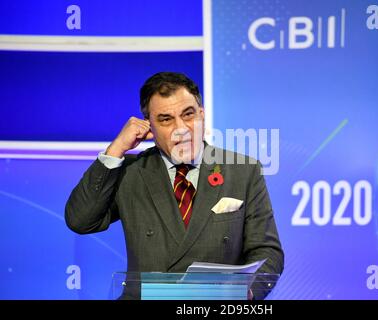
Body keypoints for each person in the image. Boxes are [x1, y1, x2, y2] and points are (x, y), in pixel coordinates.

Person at [65, 72, 284, 299]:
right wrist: (116, 149)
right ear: (149, 127)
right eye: (166, 119)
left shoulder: (243, 171)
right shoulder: (129, 172)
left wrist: (246, 293)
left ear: (202, 115)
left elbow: (267, 252)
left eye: (188, 114)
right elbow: (80, 221)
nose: (181, 128)